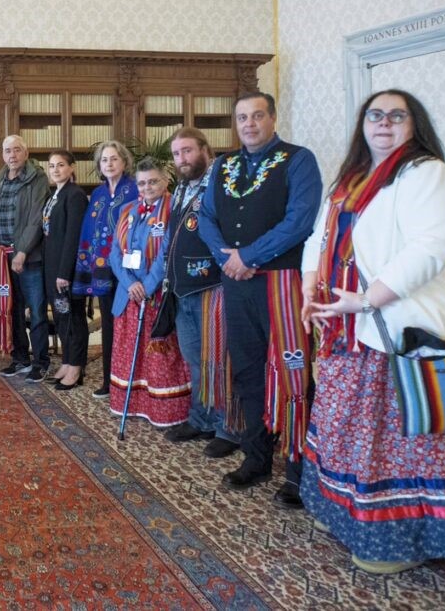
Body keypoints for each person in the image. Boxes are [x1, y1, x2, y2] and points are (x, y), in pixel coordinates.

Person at [300, 89, 445, 573]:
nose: (384, 123)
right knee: (341, 430)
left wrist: (366, 298)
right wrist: (312, 287)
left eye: (397, 116)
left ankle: (398, 543)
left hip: (394, 329)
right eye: (375, 115)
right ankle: (340, 513)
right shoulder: (351, 178)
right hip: (343, 327)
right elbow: (320, 235)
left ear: (414, 125)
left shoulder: (427, 174)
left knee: (396, 443)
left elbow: (431, 248)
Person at [198, 92, 322, 508]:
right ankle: (256, 457)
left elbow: (300, 221)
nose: (249, 124)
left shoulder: (299, 160)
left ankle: (299, 470)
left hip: (282, 283)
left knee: (293, 373)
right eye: (242, 118)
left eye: (257, 116)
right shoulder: (223, 165)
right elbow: (207, 217)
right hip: (237, 283)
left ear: (272, 117)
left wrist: (248, 256)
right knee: (247, 370)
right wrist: (228, 259)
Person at [160, 129, 240, 458]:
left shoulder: (221, 183)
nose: (182, 159)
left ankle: (228, 428)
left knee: (219, 360)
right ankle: (202, 418)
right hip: (182, 288)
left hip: (212, 286)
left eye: (188, 151)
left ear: (205, 150)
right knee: (196, 360)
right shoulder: (180, 187)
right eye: (177, 154)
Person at [108, 159, 191, 425]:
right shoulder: (128, 209)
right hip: (128, 294)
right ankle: (132, 406)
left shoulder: (174, 209)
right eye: (142, 183)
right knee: (129, 350)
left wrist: (147, 286)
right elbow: (114, 254)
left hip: (157, 296)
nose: (147, 187)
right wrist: (130, 283)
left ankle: (163, 411)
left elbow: (167, 253)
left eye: (153, 181)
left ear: (166, 180)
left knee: (159, 357)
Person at [72, 141, 139, 398]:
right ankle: (110, 381)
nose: (109, 164)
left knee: (128, 323)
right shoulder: (98, 193)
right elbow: (90, 229)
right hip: (102, 268)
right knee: (109, 324)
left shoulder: (134, 189)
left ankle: (130, 380)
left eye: (113, 159)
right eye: (104, 160)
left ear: (124, 162)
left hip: (128, 269)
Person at [0, 135, 51, 382]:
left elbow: (37, 218)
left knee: (36, 310)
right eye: (7, 151)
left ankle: (40, 361)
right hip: (3, 256)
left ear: (25, 153)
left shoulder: (38, 179)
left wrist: (22, 251)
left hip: (29, 257)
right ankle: (20, 358)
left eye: (17, 150)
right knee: (11, 309)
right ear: (3, 155)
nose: (12, 155)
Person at [41, 151, 89, 391]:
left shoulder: (76, 195)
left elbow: (73, 236)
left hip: (66, 269)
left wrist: (64, 272)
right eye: (51, 166)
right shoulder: (54, 195)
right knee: (61, 317)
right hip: (51, 266)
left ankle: (76, 366)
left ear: (72, 167)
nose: (56, 170)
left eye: (61, 165)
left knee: (73, 317)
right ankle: (67, 360)